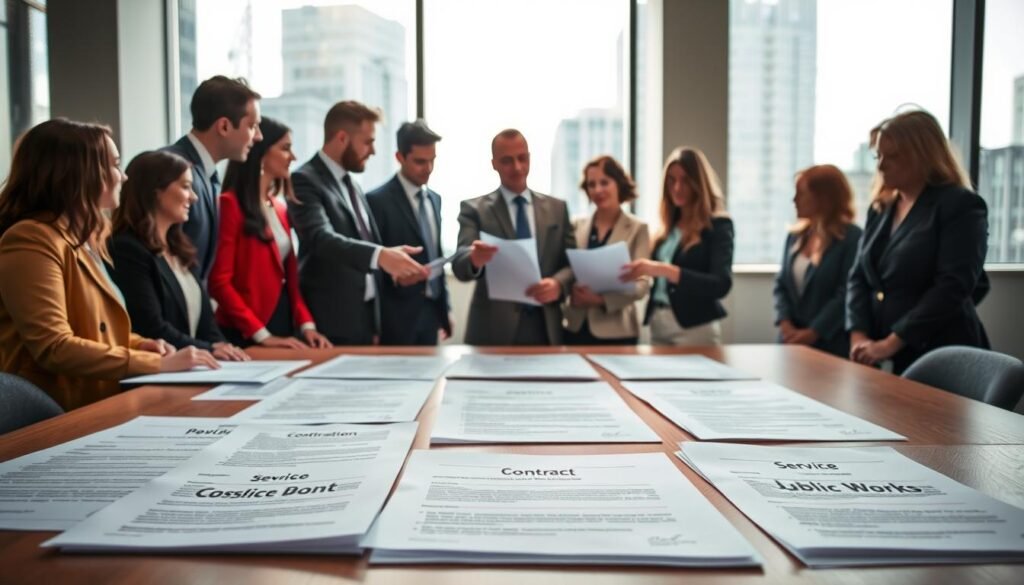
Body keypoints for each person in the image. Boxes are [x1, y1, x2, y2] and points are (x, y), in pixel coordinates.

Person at [0, 119, 218, 411]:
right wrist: (155, 363)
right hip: (50, 412)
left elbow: (95, 331)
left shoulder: (86, 238)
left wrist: (140, 344)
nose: (123, 176)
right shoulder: (31, 238)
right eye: (115, 165)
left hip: (90, 402)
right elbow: (54, 346)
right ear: (80, 173)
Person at [847, 109, 989, 373]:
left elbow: (952, 286)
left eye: (893, 157)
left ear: (923, 155)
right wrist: (859, 335)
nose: (880, 166)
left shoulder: (960, 205)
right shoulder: (880, 208)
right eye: (878, 156)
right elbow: (858, 277)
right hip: (879, 354)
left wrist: (892, 342)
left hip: (942, 353)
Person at [289, 100, 428, 345]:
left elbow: (366, 246)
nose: (373, 151)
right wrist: (382, 256)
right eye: (368, 142)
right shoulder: (303, 180)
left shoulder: (352, 184)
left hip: (366, 323)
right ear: (342, 138)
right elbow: (322, 239)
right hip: (330, 326)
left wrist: (393, 270)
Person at [108, 151, 249, 360]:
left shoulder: (181, 249)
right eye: (185, 186)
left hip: (194, 366)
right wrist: (209, 349)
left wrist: (225, 349)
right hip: (160, 369)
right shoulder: (127, 249)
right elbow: (151, 326)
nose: (194, 197)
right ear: (155, 190)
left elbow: (207, 325)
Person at [210, 117, 332, 349]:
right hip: (245, 332)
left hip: (283, 325)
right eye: (285, 148)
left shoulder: (279, 207)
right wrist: (261, 334)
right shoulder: (229, 204)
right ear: (261, 154)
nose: (293, 157)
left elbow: (290, 280)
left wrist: (308, 326)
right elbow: (219, 282)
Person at [452, 128, 574, 345]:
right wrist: (474, 258)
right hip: (492, 329)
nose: (517, 167)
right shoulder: (474, 209)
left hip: (546, 327)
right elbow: (460, 263)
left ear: (530, 158)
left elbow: (572, 264)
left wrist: (557, 284)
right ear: (494, 164)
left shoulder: (557, 209)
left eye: (522, 158)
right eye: (507, 160)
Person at [622, 146, 733, 345]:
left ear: (698, 183)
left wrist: (664, 270)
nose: (677, 188)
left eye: (685, 180)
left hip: (694, 326)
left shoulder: (718, 226)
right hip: (659, 322)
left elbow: (721, 284)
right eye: (671, 180)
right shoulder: (666, 229)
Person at [164, 75, 262, 281]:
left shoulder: (209, 176)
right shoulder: (169, 169)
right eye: (252, 126)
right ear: (224, 126)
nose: (258, 136)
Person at [367, 120, 452, 345]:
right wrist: (396, 278)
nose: (428, 168)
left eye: (433, 160)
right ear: (400, 157)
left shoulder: (435, 199)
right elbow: (372, 264)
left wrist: (446, 309)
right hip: (395, 319)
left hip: (432, 314)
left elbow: (436, 255)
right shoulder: (377, 201)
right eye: (420, 162)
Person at [772, 165, 862, 358]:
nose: (794, 200)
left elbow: (846, 292)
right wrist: (785, 323)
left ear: (824, 197)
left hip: (829, 346)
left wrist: (814, 332)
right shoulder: (795, 236)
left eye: (801, 194)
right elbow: (781, 284)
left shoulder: (852, 238)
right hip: (790, 344)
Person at [563, 155, 651, 345]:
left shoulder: (638, 228)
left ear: (618, 184)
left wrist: (600, 300)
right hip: (575, 326)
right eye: (591, 184)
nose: (597, 190)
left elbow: (642, 285)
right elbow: (565, 270)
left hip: (617, 330)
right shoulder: (575, 225)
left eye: (604, 182)